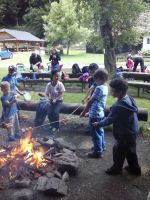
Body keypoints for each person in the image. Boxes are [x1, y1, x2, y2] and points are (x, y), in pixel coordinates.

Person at [93, 78, 141, 176]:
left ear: (119, 92)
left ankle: (116, 169)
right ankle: (135, 169)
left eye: (112, 90)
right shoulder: (129, 98)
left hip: (124, 135)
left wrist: (98, 124)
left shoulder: (118, 107)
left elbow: (108, 120)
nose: (110, 92)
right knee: (131, 151)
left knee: (118, 151)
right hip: (133, 131)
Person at [80, 69, 108, 158]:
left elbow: (90, 102)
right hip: (100, 114)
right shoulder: (105, 87)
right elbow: (95, 100)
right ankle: (101, 146)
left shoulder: (99, 88)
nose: (95, 81)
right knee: (100, 131)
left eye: (95, 79)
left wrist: (84, 112)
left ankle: (98, 151)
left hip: (95, 115)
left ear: (100, 78)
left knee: (95, 134)